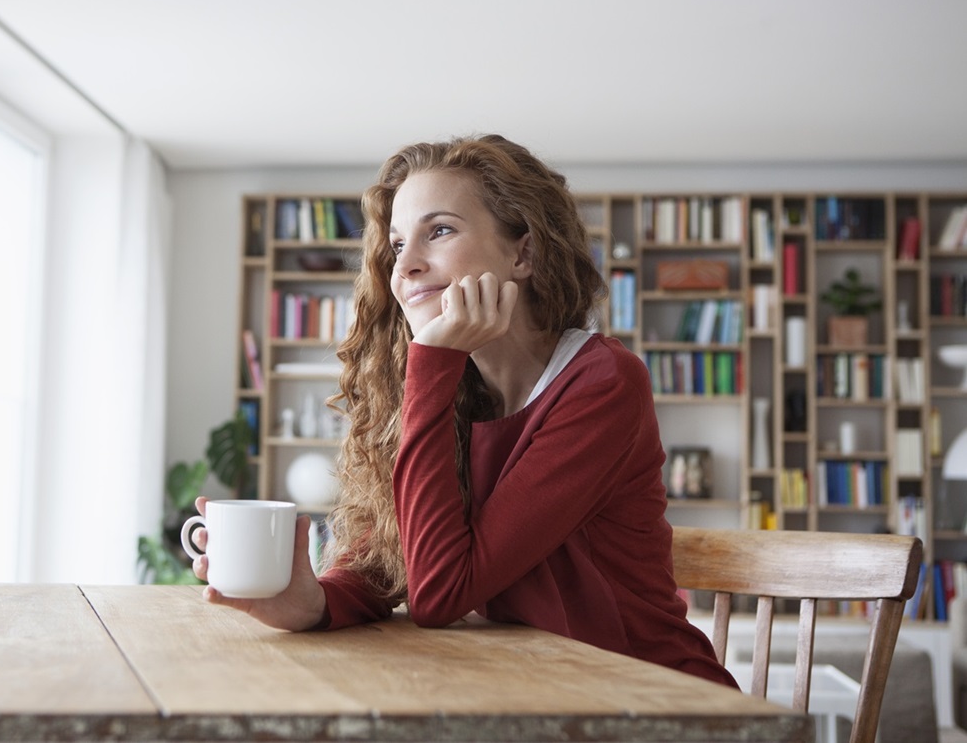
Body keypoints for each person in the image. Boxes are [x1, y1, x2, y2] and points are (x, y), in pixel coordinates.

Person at [192, 133, 736, 688]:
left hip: (655, 701)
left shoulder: (603, 383)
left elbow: (440, 592)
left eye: (441, 230)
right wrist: (315, 602)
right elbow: (392, 557)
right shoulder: (455, 386)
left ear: (522, 253)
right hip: (529, 696)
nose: (405, 268)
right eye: (397, 245)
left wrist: (430, 360)